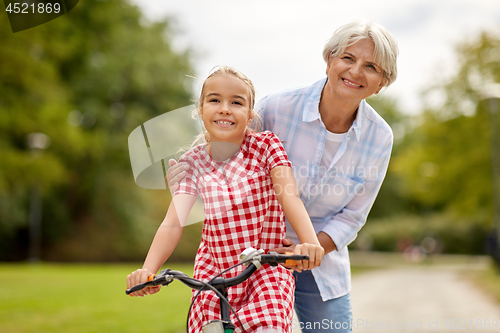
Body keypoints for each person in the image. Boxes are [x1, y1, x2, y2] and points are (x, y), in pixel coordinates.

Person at [167, 21, 399, 332]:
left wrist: (309, 248)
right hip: (254, 254)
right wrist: (188, 183)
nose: (356, 71)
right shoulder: (276, 108)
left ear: (382, 82)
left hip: (320, 260)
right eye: (348, 58)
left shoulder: (380, 137)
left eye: (371, 66)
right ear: (330, 59)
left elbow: (353, 216)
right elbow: (228, 161)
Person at [127, 66, 324, 333]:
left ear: (250, 115)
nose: (224, 108)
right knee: (209, 327)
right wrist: (148, 271)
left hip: (266, 267)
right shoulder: (192, 163)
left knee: (270, 326)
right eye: (215, 100)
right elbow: (173, 223)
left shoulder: (266, 147)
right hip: (214, 270)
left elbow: (290, 197)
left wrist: (310, 243)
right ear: (200, 109)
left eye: (236, 102)